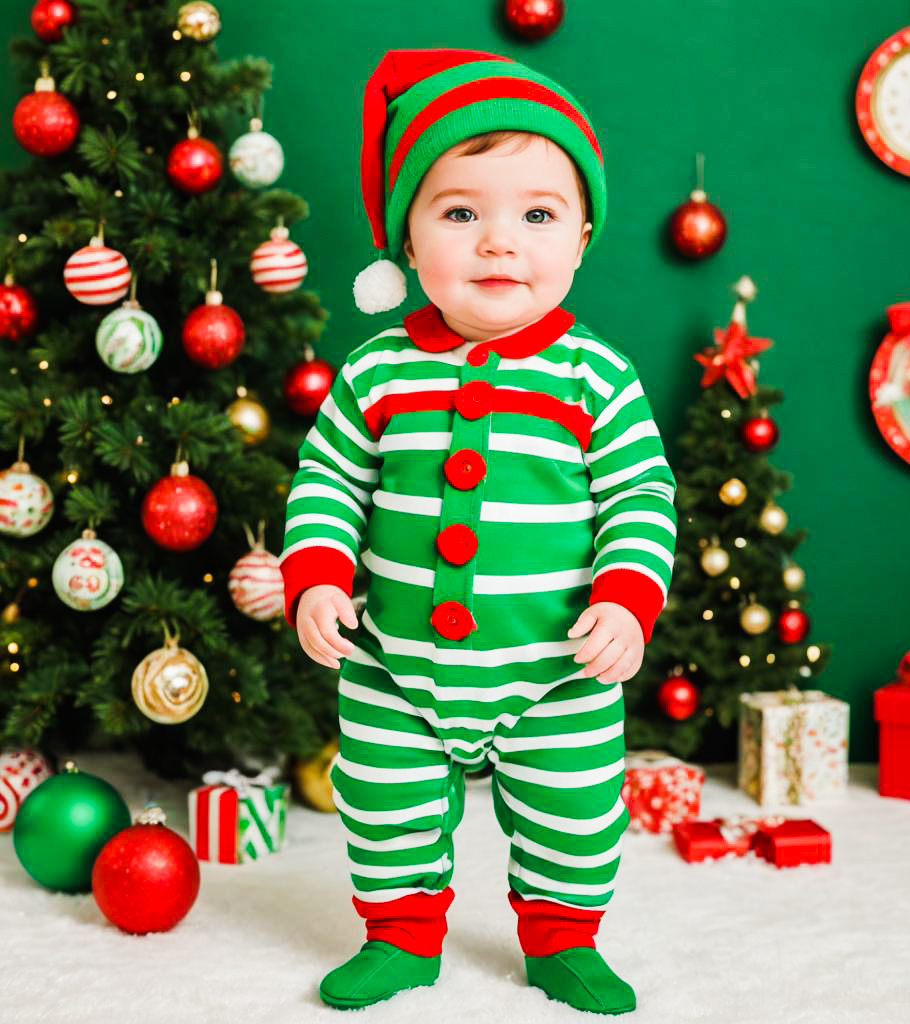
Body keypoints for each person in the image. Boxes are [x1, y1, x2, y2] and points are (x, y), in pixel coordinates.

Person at [280, 48, 677, 1015]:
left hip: (553, 671)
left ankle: (563, 940)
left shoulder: (594, 376)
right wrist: (320, 576)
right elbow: (327, 481)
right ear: (409, 245)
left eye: (537, 215)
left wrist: (627, 599)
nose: (500, 243)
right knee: (383, 807)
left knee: (575, 817)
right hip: (394, 664)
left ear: (581, 239)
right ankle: (402, 937)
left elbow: (641, 498)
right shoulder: (377, 371)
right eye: (461, 212)